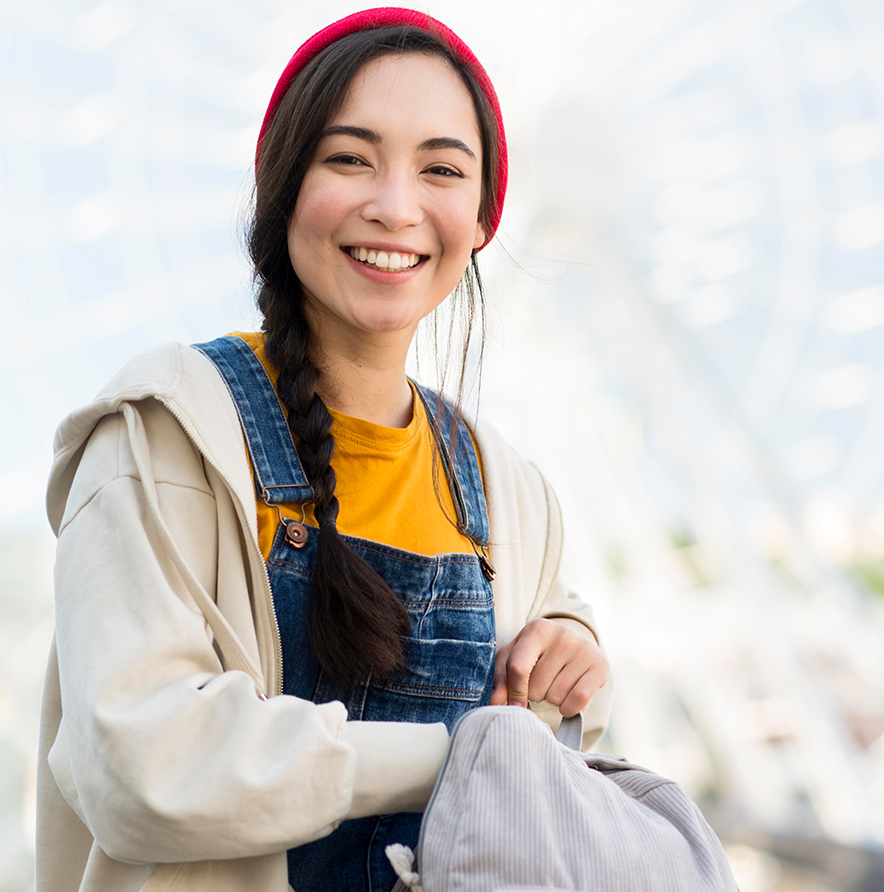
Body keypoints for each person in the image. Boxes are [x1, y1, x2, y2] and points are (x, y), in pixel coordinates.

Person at [35, 8, 612, 892]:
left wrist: (572, 652)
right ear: (284, 185)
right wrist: (453, 756)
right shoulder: (167, 435)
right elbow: (141, 765)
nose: (396, 205)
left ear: (482, 217)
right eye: (350, 158)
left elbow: (556, 734)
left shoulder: (511, 492)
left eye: (442, 170)